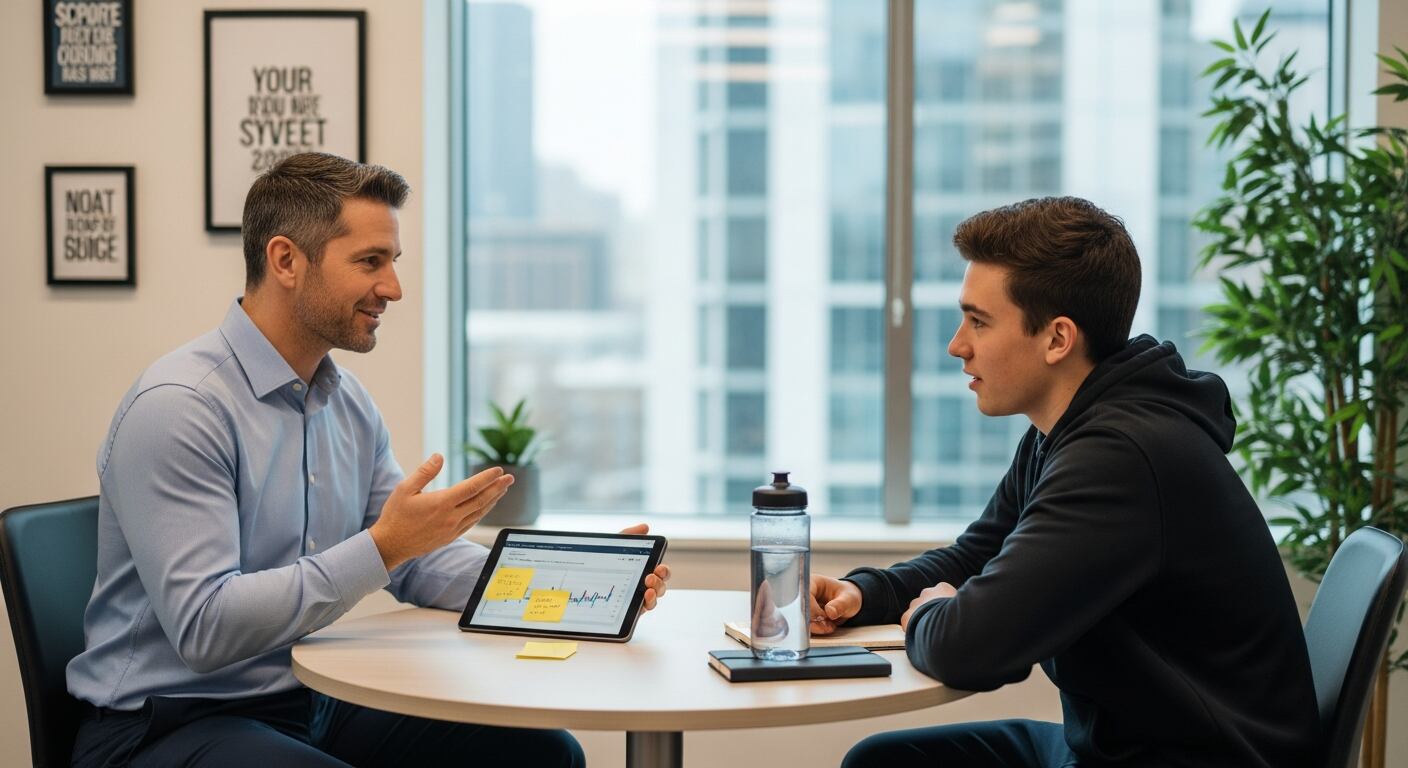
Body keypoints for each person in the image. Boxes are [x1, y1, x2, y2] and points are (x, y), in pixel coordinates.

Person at [67, 152, 670, 768]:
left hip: (305, 702)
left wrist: (573, 589)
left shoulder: (345, 402)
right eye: (369, 262)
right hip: (165, 723)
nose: (394, 287)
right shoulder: (180, 408)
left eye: (393, 262)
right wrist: (382, 546)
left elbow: (416, 561)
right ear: (285, 261)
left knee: (543, 756)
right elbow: (206, 627)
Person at [808, 197, 1320, 767]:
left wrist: (930, 615)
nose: (957, 344)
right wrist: (869, 594)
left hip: (1189, 759)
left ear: (1057, 339)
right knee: (883, 761)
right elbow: (979, 554)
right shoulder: (1068, 430)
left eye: (978, 321)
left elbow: (969, 650)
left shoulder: (1120, 457)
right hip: (1118, 747)